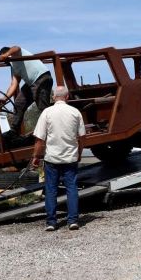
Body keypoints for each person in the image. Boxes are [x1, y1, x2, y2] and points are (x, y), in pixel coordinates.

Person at [32, 86, 85, 231]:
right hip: (70, 157)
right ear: (67, 97)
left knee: (51, 190)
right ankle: (73, 221)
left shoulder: (47, 112)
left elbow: (39, 139)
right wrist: (79, 153)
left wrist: (36, 156)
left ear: (53, 97)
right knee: (71, 188)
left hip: (52, 158)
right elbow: (82, 137)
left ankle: (51, 222)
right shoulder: (75, 112)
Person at [0, 46, 53, 134]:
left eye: (4, 60)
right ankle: (14, 131)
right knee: (19, 103)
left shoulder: (17, 54)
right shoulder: (13, 67)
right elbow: (14, 84)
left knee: (42, 106)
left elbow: (17, 47)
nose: (5, 62)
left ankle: (53, 129)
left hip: (42, 77)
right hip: (31, 84)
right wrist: (5, 98)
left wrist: (5, 55)